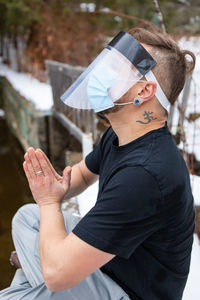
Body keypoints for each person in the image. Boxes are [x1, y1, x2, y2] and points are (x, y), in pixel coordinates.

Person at [0, 28, 196, 300]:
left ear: (144, 90)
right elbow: (81, 174)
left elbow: (57, 275)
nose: (102, 73)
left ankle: (33, 282)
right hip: (113, 264)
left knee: (26, 287)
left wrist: (48, 203)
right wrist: (56, 189)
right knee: (28, 217)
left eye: (116, 68)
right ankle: (38, 277)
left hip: (129, 291)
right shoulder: (122, 134)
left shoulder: (146, 174)